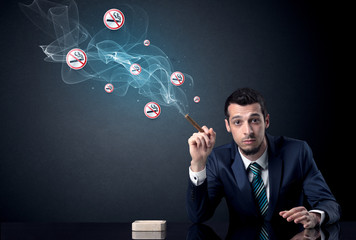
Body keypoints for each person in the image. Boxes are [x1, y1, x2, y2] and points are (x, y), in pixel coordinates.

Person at [186, 88, 340, 228]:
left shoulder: (297, 152)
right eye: (237, 122)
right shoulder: (219, 159)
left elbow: (329, 203)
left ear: (266, 121)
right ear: (228, 126)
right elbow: (198, 216)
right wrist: (198, 164)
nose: (248, 131)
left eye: (254, 120)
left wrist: (314, 217)